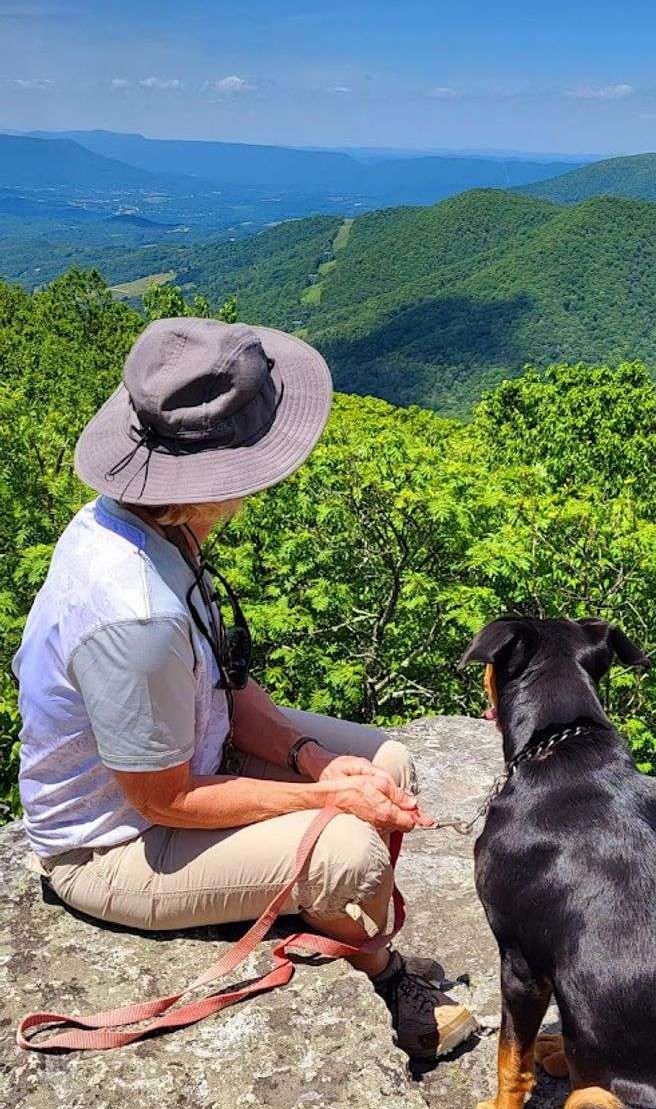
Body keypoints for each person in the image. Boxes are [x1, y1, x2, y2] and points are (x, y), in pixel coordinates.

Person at [13, 315, 477, 1059]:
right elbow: (162, 799)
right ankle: (383, 979)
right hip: (112, 846)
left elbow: (227, 684)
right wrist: (326, 799)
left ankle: (320, 910)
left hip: (190, 764)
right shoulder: (133, 611)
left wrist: (313, 760)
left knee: (385, 762)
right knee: (349, 855)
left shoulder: (154, 526)